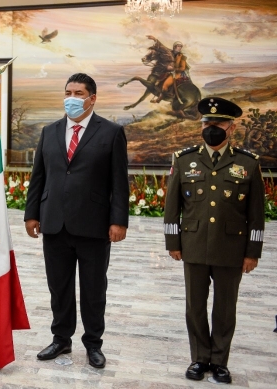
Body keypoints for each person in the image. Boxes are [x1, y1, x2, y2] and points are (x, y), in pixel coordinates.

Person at [24, 73, 129, 368]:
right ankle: (61, 339)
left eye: (78, 93)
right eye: (68, 91)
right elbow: (39, 177)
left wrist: (119, 220)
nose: (71, 97)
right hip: (54, 222)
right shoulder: (50, 131)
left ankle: (93, 343)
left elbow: (119, 182)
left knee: (94, 289)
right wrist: (31, 214)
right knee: (59, 287)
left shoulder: (110, 133)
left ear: (92, 98)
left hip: (94, 225)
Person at [164, 97, 265, 384]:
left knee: (224, 307)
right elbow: (172, 207)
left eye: (218, 123)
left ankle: (220, 361)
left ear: (230, 128)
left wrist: (252, 252)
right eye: (207, 123)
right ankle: (199, 358)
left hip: (231, 248)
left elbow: (256, 214)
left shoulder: (247, 163)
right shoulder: (184, 160)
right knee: (194, 306)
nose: (212, 128)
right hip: (193, 244)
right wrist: (173, 242)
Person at [147, 36, 190, 103]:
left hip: (177, 73)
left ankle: (159, 100)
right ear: (174, 47)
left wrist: (173, 69)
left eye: (180, 46)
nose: (179, 48)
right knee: (158, 79)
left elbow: (183, 68)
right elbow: (162, 47)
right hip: (168, 72)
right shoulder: (169, 53)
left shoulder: (182, 57)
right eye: (178, 46)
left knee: (165, 85)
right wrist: (155, 40)